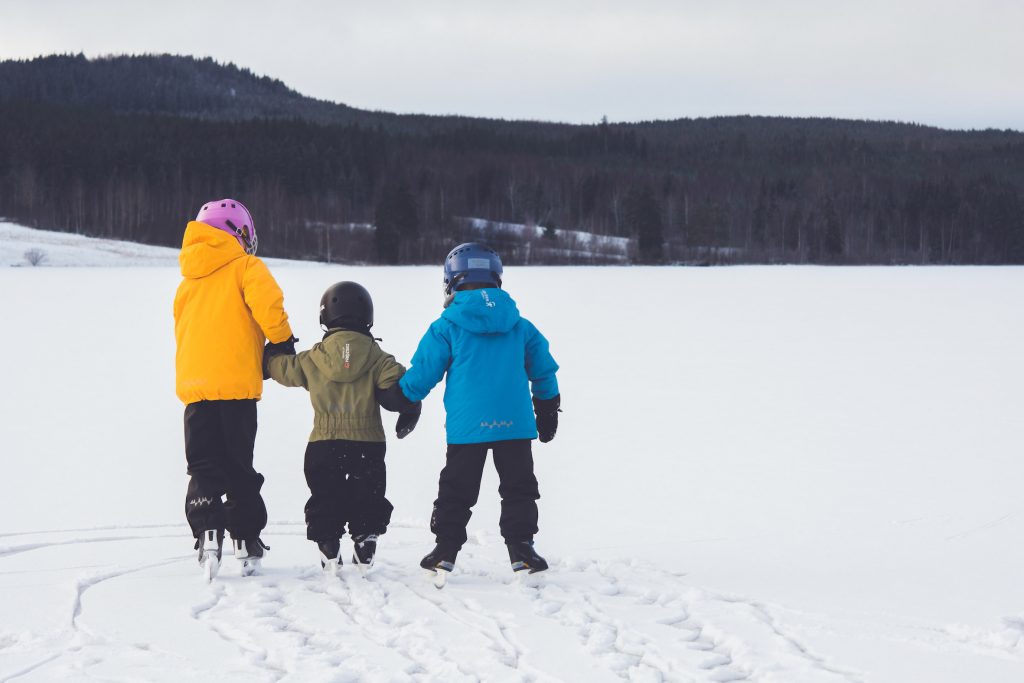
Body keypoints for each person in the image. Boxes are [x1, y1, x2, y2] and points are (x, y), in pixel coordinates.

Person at [383, 242, 561, 583]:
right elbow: (543, 369)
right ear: (496, 278)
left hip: (468, 426)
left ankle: (445, 551)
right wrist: (547, 406)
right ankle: (522, 549)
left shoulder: (446, 326)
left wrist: (402, 396)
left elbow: (424, 371)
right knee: (519, 487)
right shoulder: (520, 325)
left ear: (452, 281)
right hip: (515, 424)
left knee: (457, 488)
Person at [264, 281, 422, 575]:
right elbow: (399, 387)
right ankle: (365, 538)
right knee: (368, 494)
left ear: (325, 317)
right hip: (368, 443)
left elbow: (283, 369)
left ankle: (328, 542)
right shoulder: (377, 357)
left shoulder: (313, 357)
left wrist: (270, 358)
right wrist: (410, 407)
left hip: (324, 443)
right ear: (367, 317)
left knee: (325, 495)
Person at [173, 198, 293, 580]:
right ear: (239, 233)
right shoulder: (246, 267)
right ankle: (245, 536)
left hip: (196, 391)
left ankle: (208, 529)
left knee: (203, 465)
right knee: (239, 467)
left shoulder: (187, 281)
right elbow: (269, 306)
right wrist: (282, 342)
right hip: (237, 391)